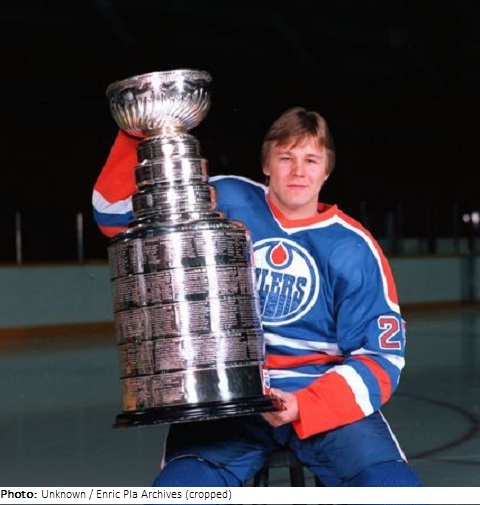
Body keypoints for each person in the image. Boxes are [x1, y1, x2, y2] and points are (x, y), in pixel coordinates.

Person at [92, 107, 422, 487]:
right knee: (181, 488)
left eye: (311, 160)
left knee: (392, 489)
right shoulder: (228, 199)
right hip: (229, 396)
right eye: (286, 158)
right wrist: (137, 129)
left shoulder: (353, 247)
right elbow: (115, 216)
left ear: (326, 171)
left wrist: (304, 405)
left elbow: (380, 357)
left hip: (319, 393)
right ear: (266, 164)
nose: (298, 172)